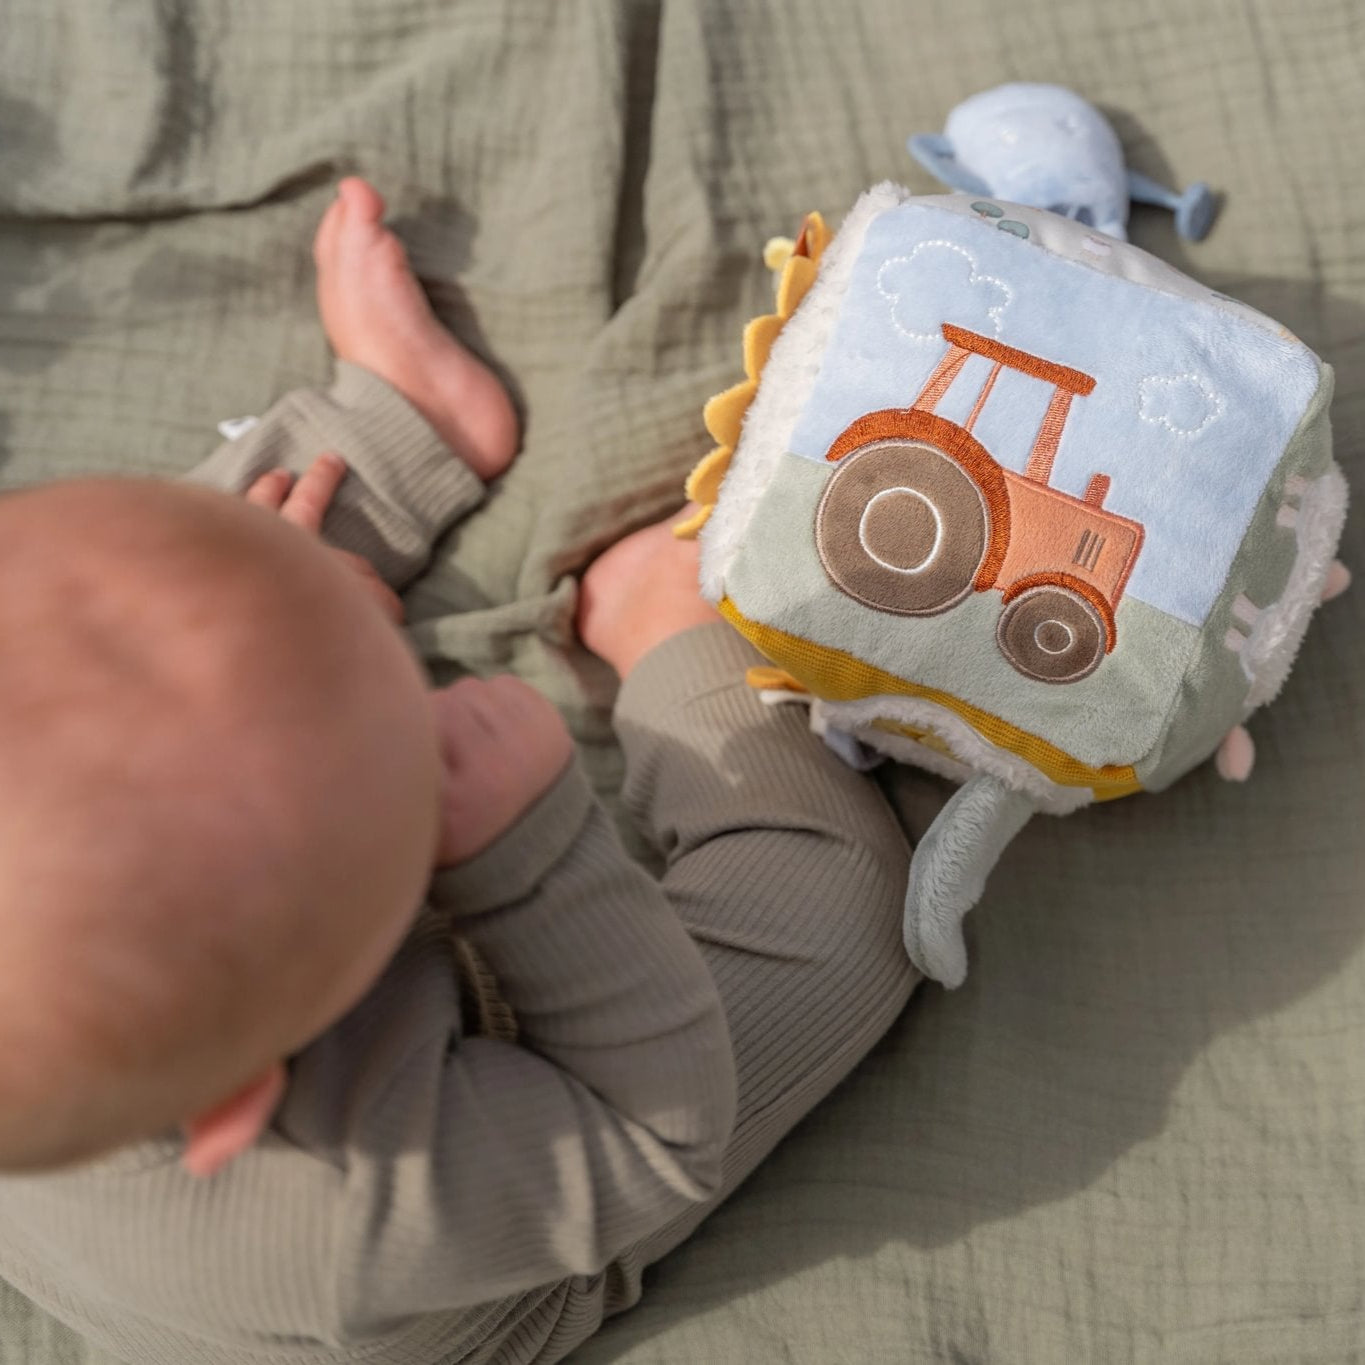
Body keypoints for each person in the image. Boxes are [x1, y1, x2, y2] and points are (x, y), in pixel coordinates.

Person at [0, 178, 918, 1364]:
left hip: (133, 992)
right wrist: (527, 856)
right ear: (240, 1102)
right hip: (521, 1195)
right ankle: (653, 623)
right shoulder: (344, 1212)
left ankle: (395, 427)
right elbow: (654, 1136)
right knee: (843, 918)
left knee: (123, 624)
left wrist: (269, 601)